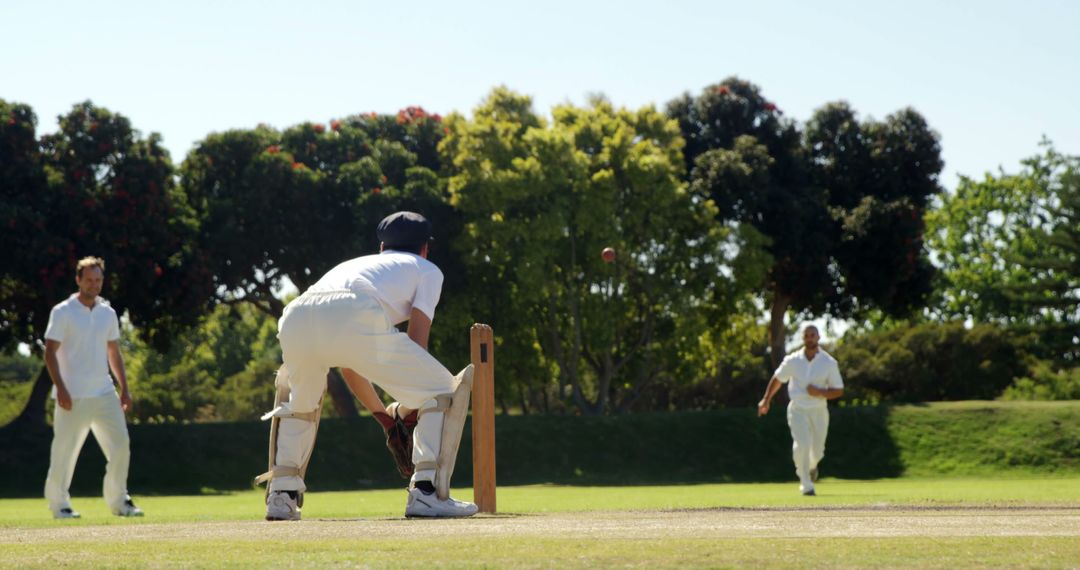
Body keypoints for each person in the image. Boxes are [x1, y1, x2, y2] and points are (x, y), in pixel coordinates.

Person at [259, 211, 478, 520]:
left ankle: (281, 497)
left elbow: (351, 365)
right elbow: (417, 348)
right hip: (353, 309)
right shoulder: (427, 270)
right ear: (425, 248)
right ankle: (427, 492)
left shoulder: (358, 267)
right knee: (442, 389)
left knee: (302, 403)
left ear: (381, 248)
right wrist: (414, 406)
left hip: (296, 314)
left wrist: (386, 419)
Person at [43, 257, 144, 519]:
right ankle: (59, 505)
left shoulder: (107, 313)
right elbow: (50, 353)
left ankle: (120, 501)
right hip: (71, 396)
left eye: (98, 280)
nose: (94, 284)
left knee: (121, 446)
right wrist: (61, 389)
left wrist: (125, 388)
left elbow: (114, 352)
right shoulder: (62, 312)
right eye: (89, 280)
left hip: (104, 393)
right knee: (64, 452)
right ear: (78, 280)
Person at [757, 325, 844, 496]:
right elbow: (778, 379)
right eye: (806, 335)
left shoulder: (829, 363)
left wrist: (819, 392)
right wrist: (766, 400)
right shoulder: (792, 360)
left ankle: (812, 467)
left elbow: (838, 390)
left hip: (819, 410)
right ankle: (806, 484)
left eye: (813, 335)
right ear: (803, 338)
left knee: (818, 451)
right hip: (797, 409)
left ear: (818, 337)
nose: (810, 338)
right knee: (802, 444)